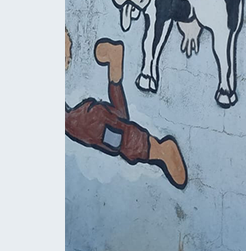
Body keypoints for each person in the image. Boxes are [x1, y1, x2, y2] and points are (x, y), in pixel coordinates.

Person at [65, 36, 187, 189]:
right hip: (85, 119)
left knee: (115, 135)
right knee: (118, 122)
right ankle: (114, 64)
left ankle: (160, 150)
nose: (69, 59)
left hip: (85, 121)